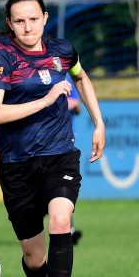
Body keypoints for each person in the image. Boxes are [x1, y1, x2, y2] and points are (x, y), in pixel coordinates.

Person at [0, 0, 105, 277]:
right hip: (17, 166)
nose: (28, 26)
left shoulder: (62, 51)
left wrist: (99, 122)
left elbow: (81, 76)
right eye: (19, 21)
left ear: (45, 18)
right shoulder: (3, 56)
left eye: (34, 19)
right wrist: (47, 99)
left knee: (61, 219)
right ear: (10, 23)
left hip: (59, 155)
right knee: (34, 257)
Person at [66, 73, 83, 246]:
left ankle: (68, 228)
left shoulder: (66, 74)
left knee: (63, 186)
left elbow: (76, 105)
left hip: (66, 140)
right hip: (44, 143)